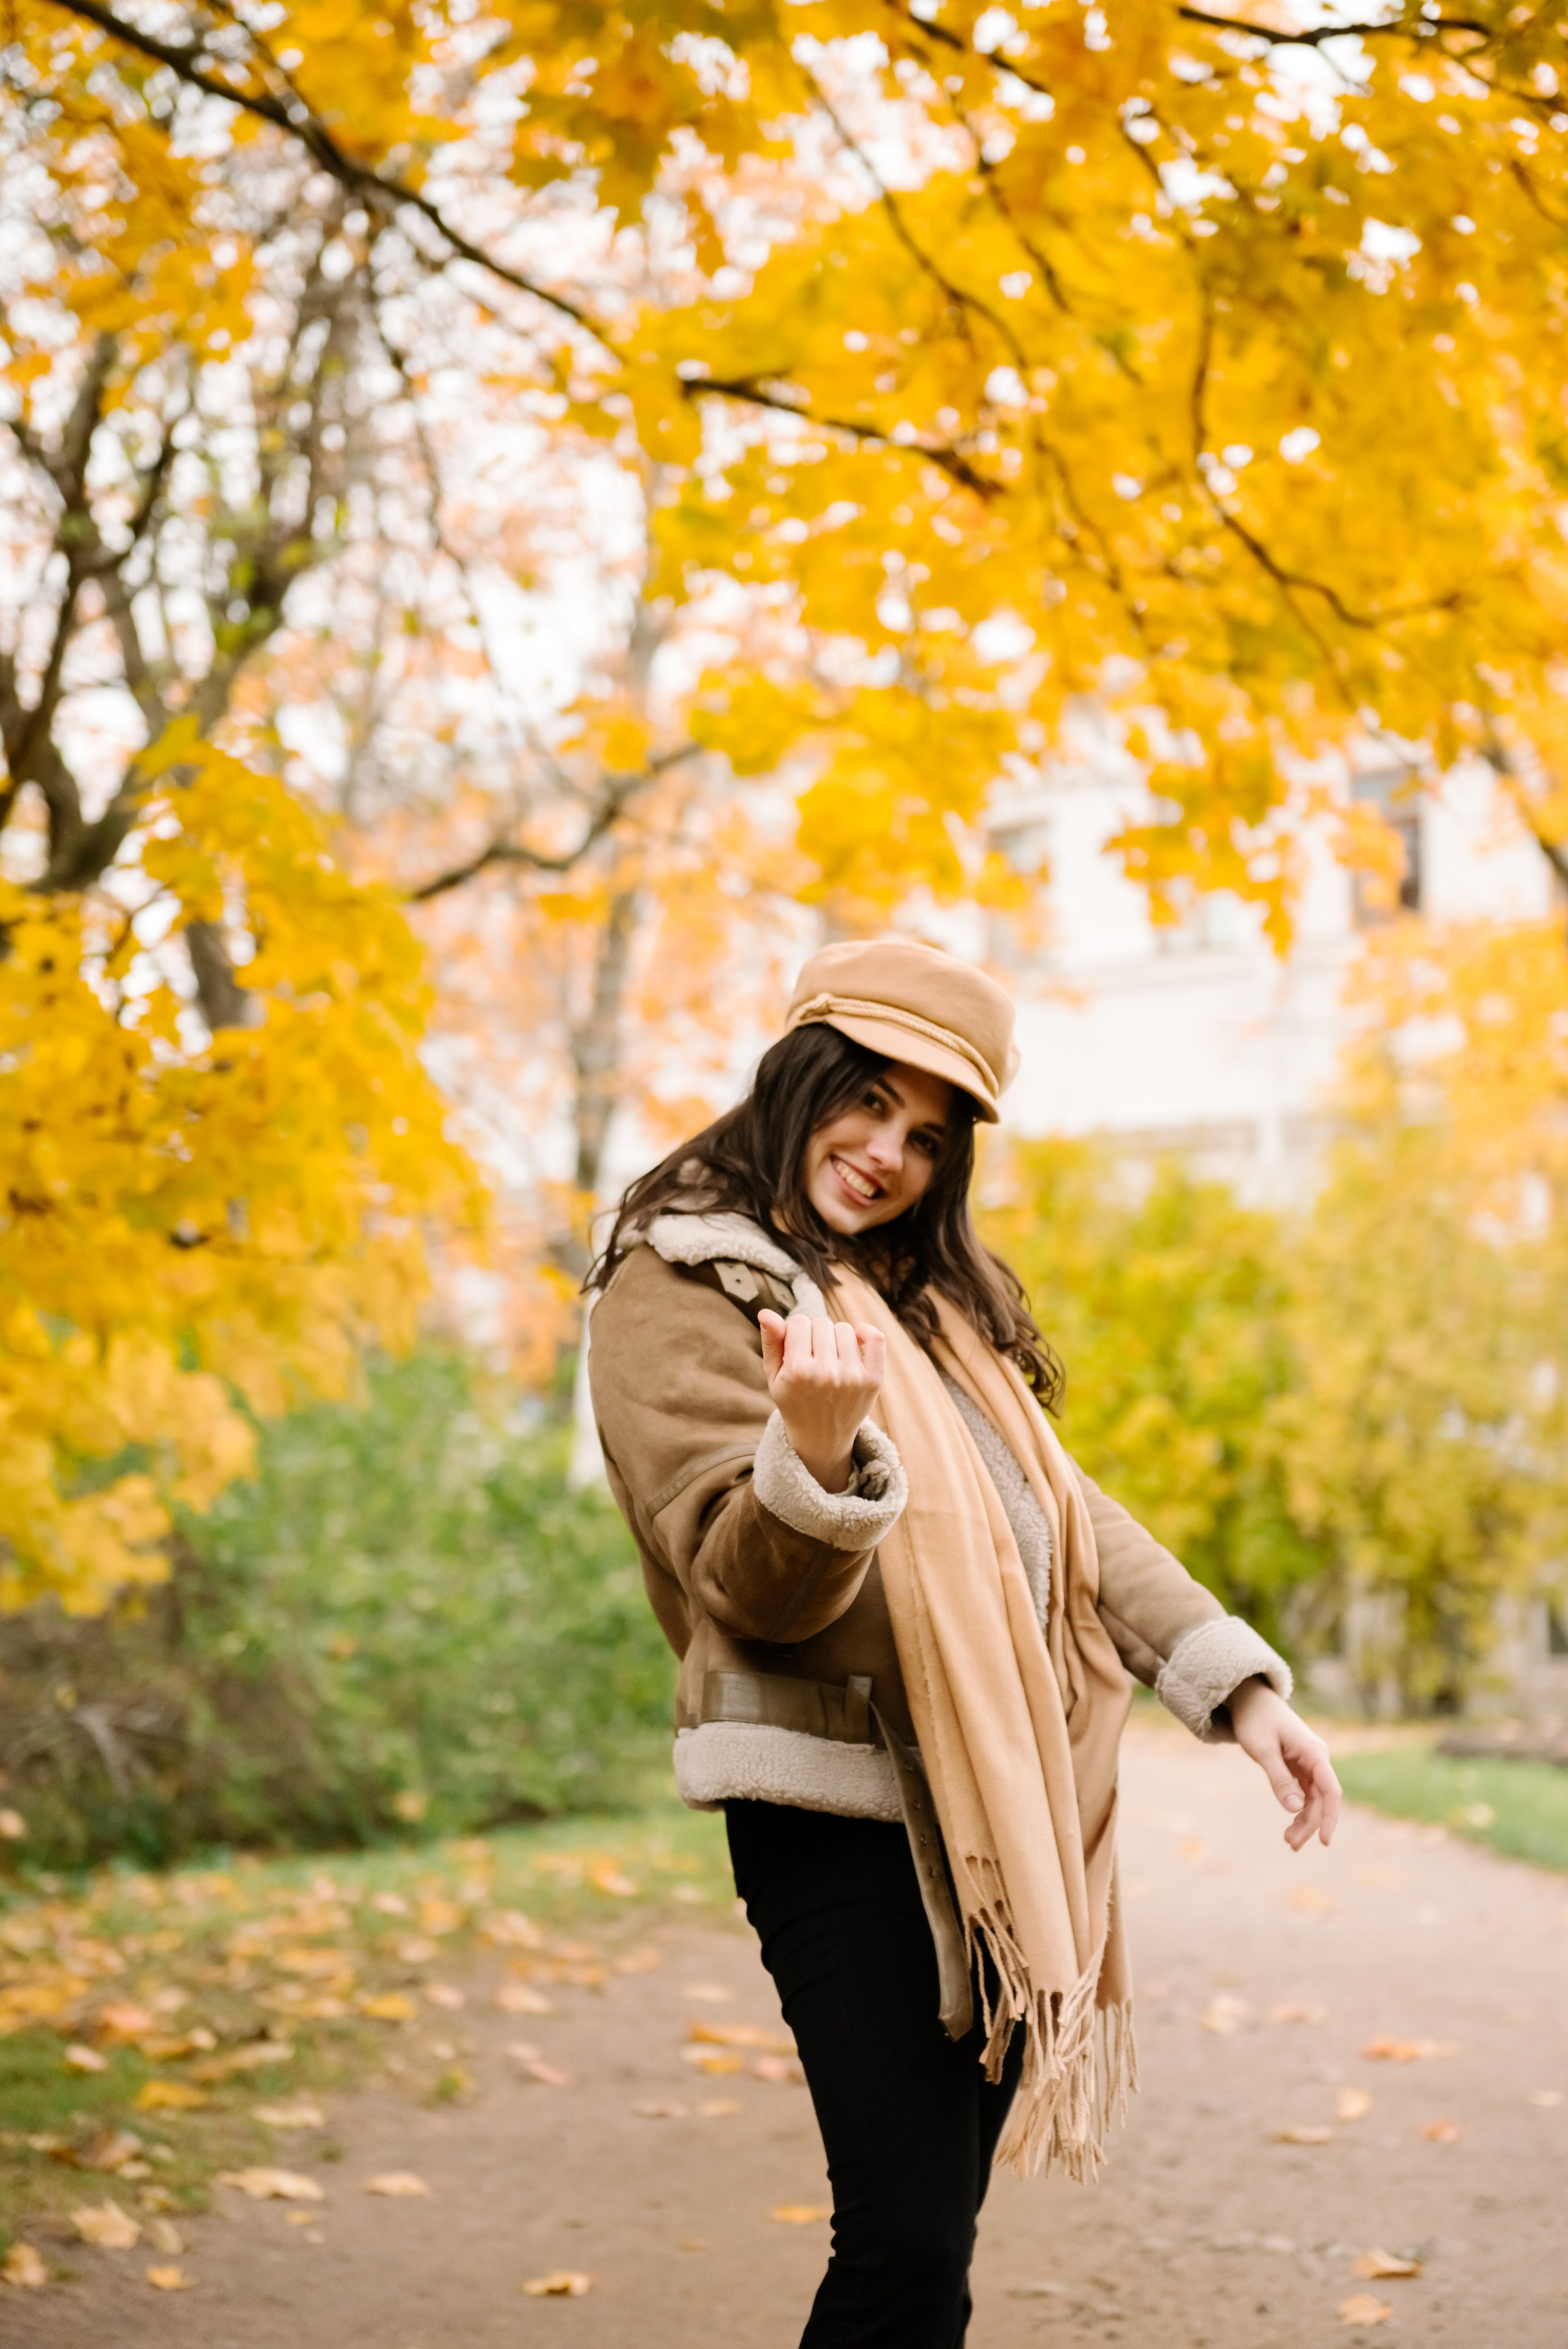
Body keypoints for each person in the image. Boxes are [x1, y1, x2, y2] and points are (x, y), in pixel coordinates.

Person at [586, 938, 1340, 2349]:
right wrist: (808, 1463)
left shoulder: (924, 1304)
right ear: (798, 1074)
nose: (885, 1152)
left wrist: (1236, 1691)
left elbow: (1063, 1512)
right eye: (864, 1100)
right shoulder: (680, 1279)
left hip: (999, 1804)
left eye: (926, 1135)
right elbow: (739, 1586)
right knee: (905, 2243)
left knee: (932, 2241)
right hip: (839, 1805)